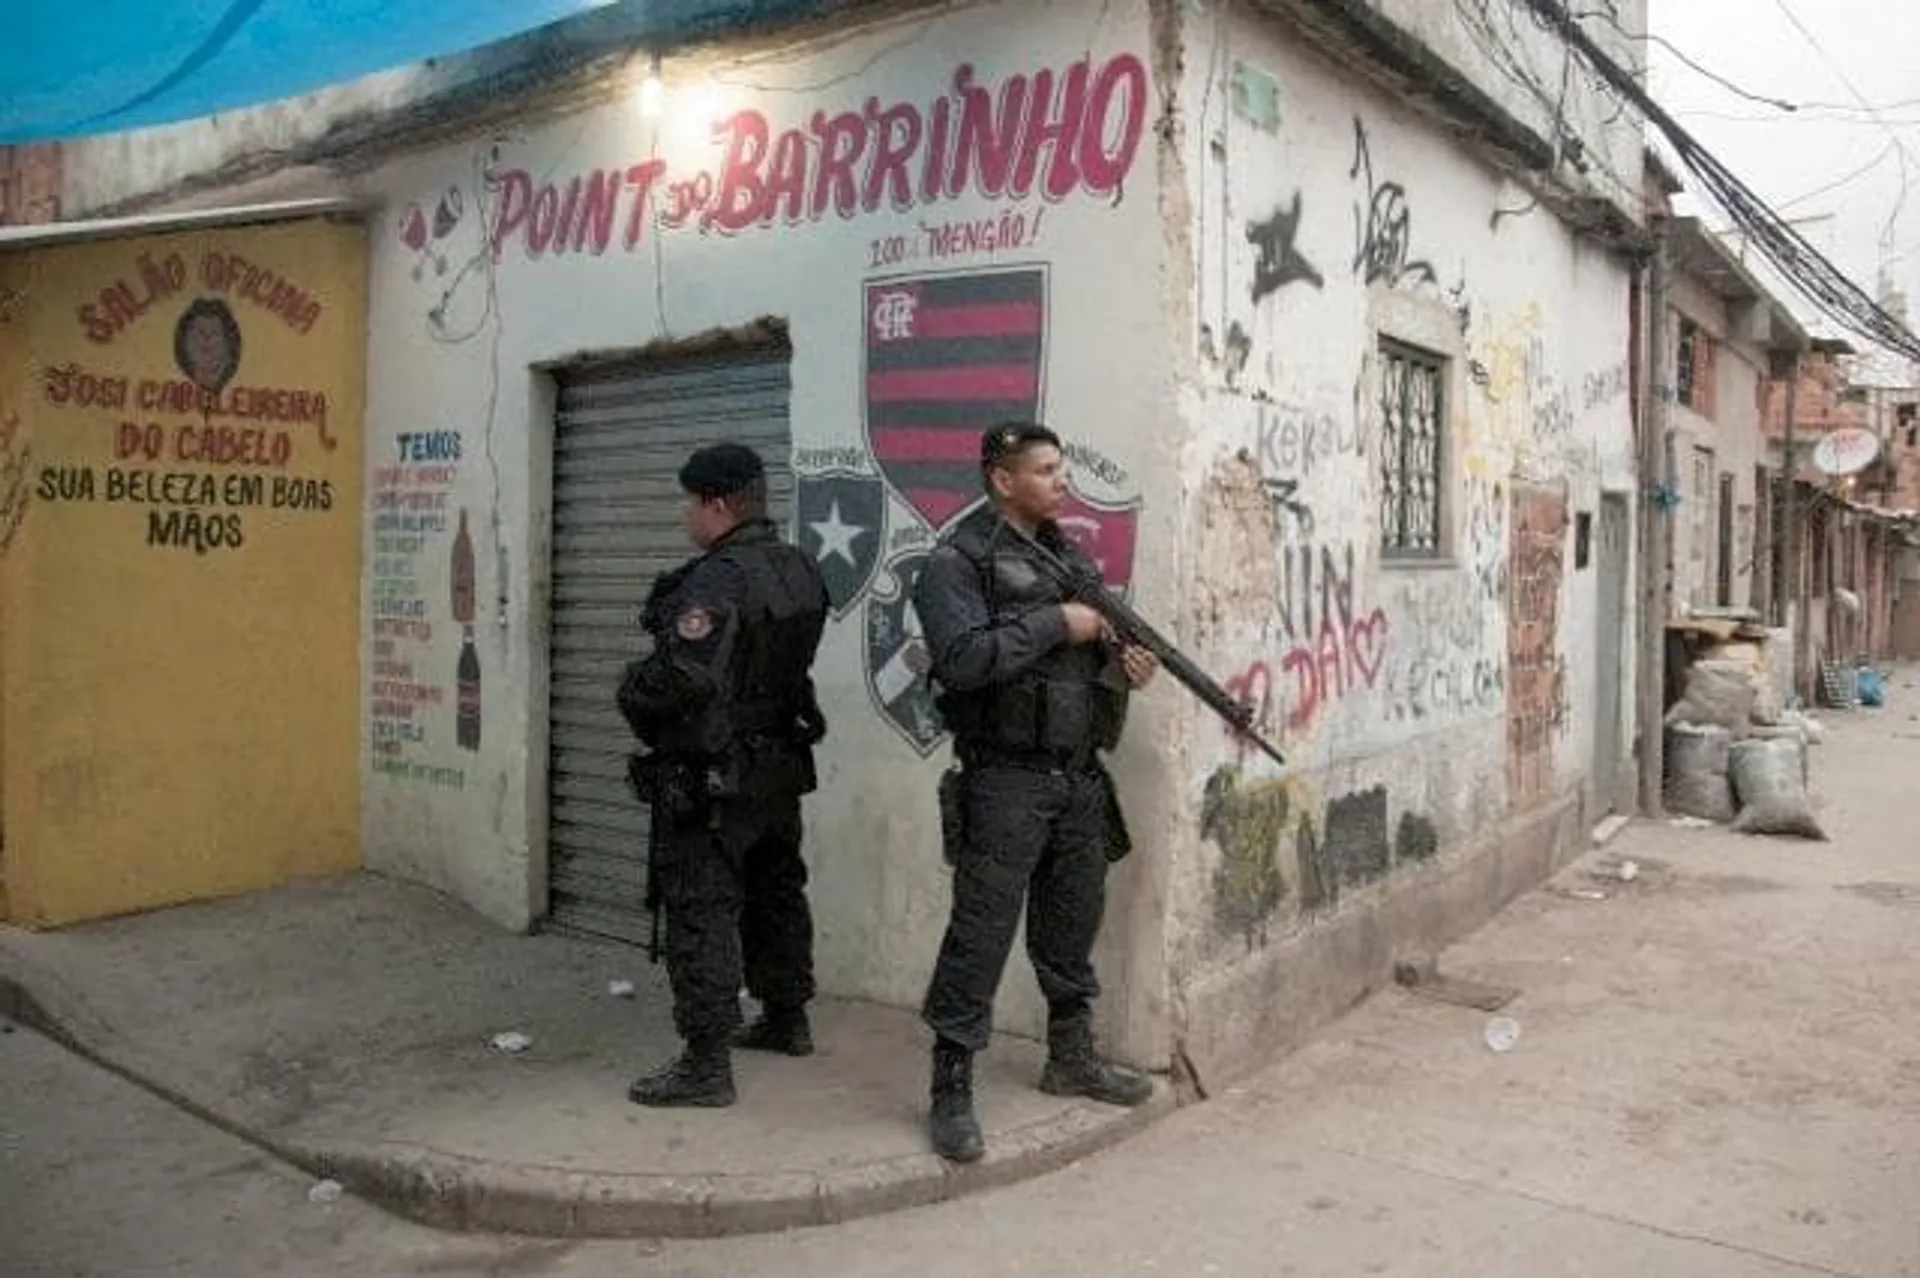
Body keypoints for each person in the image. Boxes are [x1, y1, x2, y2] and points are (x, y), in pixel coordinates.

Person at [910, 421, 1159, 1162]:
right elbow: (961, 661)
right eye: (1047, 470)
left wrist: (1124, 667)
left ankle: (1071, 1057)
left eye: (1062, 469)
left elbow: (1093, 663)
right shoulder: (954, 563)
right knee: (980, 934)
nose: (1062, 482)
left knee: (1071, 920)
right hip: (1005, 779)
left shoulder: (1064, 557)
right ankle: (951, 1088)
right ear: (1001, 478)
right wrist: (1058, 622)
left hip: (1077, 777)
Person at [616, 443, 830, 1108]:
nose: (685, 515)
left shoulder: (714, 581)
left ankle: (706, 1063)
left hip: (714, 774)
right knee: (776, 893)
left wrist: (632, 687)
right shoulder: (797, 568)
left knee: (702, 907)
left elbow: (685, 676)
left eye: (689, 501)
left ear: (716, 504)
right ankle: (786, 1017)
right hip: (777, 767)